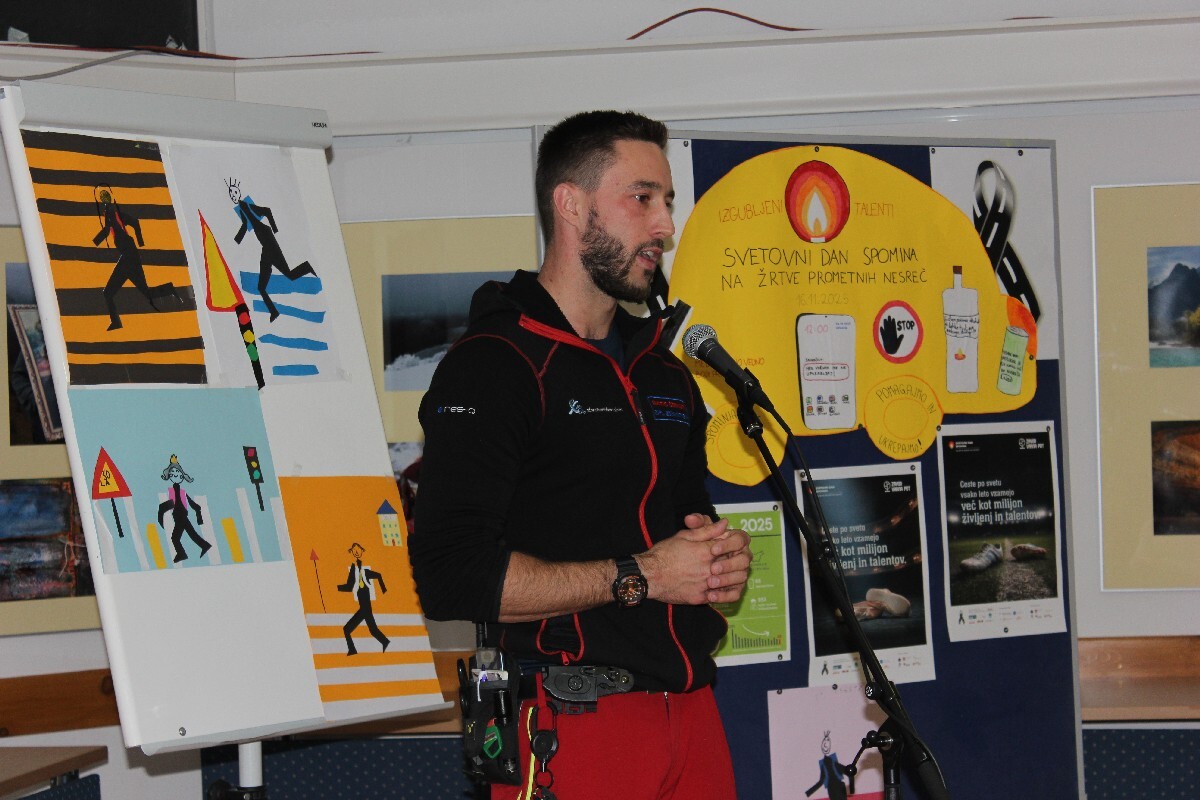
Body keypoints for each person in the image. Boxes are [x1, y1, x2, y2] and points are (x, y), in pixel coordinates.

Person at [411, 110, 751, 799]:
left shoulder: (666, 371)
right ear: (570, 204)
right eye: (642, 198)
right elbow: (452, 576)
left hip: (690, 711)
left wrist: (717, 563)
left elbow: (686, 526)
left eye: (667, 202)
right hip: (567, 719)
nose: (664, 225)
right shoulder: (494, 365)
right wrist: (646, 575)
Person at [337, 542, 390, 655]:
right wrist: (337, 587)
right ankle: (384, 641)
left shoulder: (365, 571)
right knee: (372, 630)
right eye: (354, 550)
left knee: (347, 629)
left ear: (362, 550)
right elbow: (349, 587)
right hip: (364, 607)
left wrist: (383, 588)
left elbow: (378, 575)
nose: (356, 551)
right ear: (351, 552)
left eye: (358, 549)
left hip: (365, 606)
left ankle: (353, 650)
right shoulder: (353, 570)